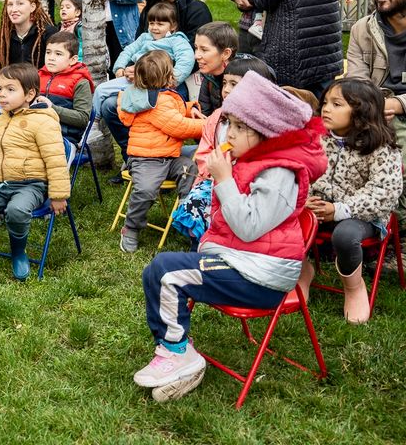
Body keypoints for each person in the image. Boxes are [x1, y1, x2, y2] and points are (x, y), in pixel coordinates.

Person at [135, 71, 326, 402]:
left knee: (164, 271)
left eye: (240, 127)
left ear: (268, 133)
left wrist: (223, 180)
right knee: (165, 269)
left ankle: (179, 353)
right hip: (239, 261)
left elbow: (248, 226)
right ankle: (175, 351)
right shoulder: (252, 160)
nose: (230, 133)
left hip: (260, 279)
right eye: (229, 124)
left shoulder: (280, 172)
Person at [299, 79, 403, 324]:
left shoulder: (380, 147)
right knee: (284, 217)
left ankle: (353, 286)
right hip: (319, 207)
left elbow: (384, 192)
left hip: (362, 215)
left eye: (336, 104)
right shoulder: (317, 137)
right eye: (325, 103)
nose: (326, 109)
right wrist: (305, 199)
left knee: (345, 235)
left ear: (361, 111)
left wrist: (338, 210)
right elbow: (302, 171)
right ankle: (303, 272)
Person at [0, 63, 70, 285]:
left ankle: (19, 253)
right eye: (0, 89)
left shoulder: (43, 122)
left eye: (10, 89)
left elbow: (56, 160)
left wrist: (58, 195)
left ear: (30, 94)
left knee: (17, 210)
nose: (2, 94)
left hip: (30, 184)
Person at [170, 55, 275, 246]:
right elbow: (204, 150)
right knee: (199, 199)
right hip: (214, 179)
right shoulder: (217, 117)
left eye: (234, 84)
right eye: (225, 82)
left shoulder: (263, 126)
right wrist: (209, 171)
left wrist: (230, 175)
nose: (226, 89)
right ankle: (201, 245)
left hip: (246, 186)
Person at [117, 51, 203, 253]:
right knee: (146, 190)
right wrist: (209, 124)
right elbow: (179, 126)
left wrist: (190, 109)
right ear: (167, 75)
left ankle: (186, 209)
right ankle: (131, 228)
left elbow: (175, 111)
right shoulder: (156, 102)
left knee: (189, 168)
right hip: (147, 159)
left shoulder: (155, 95)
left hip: (168, 155)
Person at [92, 1, 195, 134]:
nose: (154, 28)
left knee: (132, 104)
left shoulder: (176, 41)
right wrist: (119, 67)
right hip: (133, 78)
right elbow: (128, 51)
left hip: (156, 82)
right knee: (101, 89)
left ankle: (135, 132)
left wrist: (173, 78)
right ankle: (94, 122)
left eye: (160, 24)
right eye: (152, 23)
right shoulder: (145, 38)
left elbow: (186, 59)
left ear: (173, 26)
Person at [346, 0, 406, 171]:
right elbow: (355, 83)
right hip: (372, 112)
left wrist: (398, 104)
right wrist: (376, 106)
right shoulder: (362, 29)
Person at [0, 0, 59, 77]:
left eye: (20, 3)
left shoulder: (48, 34)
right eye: (10, 4)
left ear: (32, 7)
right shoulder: (4, 36)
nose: (14, 9)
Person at [37, 30, 93, 148]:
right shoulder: (38, 76)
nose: (51, 58)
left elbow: (82, 118)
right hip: (35, 131)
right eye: (48, 52)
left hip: (64, 137)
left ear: (73, 59)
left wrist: (52, 108)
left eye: (58, 54)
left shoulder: (80, 82)